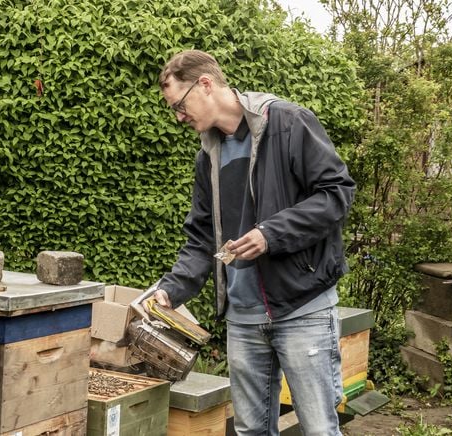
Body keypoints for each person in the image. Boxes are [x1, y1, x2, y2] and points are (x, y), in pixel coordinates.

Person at [147, 50, 355, 435]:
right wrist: (172, 290)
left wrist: (271, 234)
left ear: (205, 84)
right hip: (243, 317)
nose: (178, 117)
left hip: (302, 308)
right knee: (249, 431)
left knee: (319, 429)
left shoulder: (288, 123)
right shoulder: (207, 156)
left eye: (179, 105)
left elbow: (336, 194)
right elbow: (202, 236)